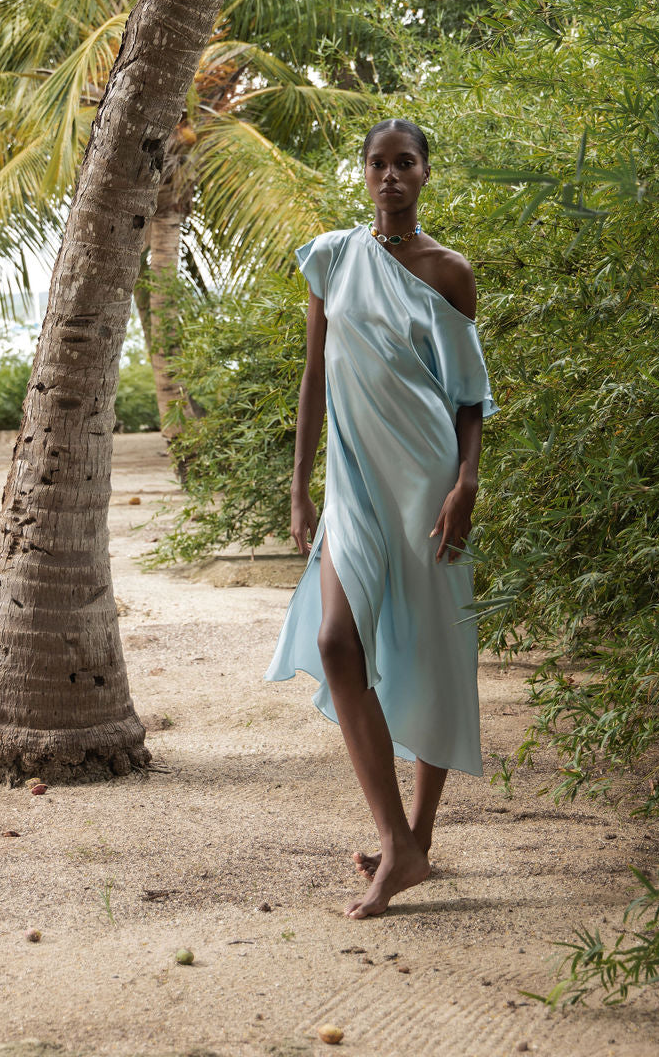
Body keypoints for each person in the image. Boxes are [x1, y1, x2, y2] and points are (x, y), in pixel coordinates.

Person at [264, 118, 498, 919]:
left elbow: (469, 398)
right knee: (337, 642)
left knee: (434, 648)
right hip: (354, 482)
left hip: (427, 476)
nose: (389, 175)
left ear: (426, 174)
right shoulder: (332, 258)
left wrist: (466, 482)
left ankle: (415, 847)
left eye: (405, 163)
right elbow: (312, 379)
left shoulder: (449, 272)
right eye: (377, 163)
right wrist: (300, 487)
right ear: (362, 175)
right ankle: (397, 839)